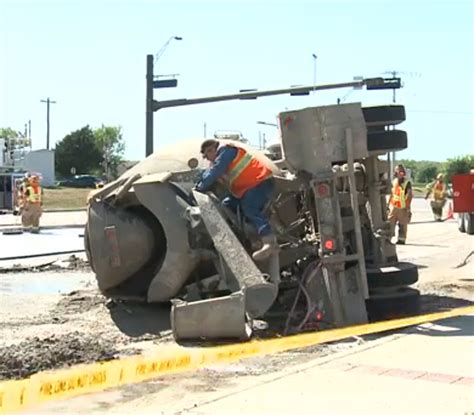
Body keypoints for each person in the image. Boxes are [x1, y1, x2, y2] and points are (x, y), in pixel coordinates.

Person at [195, 139, 278, 261]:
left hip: (260, 181)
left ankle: (269, 241)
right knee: (227, 204)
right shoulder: (219, 159)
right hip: (246, 188)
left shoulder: (226, 151)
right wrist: (200, 181)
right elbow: (209, 173)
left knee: (250, 207)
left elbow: (215, 171)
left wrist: (200, 187)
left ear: (212, 149)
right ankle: (252, 234)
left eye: (207, 155)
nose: (207, 159)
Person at [387, 164, 412, 245]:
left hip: (403, 207)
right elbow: (392, 193)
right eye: (397, 170)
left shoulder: (407, 183)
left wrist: (408, 208)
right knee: (390, 222)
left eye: (400, 170)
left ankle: (401, 239)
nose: (399, 172)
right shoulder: (394, 181)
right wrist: (388, 204)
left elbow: (409, 195)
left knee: (403, 224)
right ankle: (389, 238)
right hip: (394, 206)